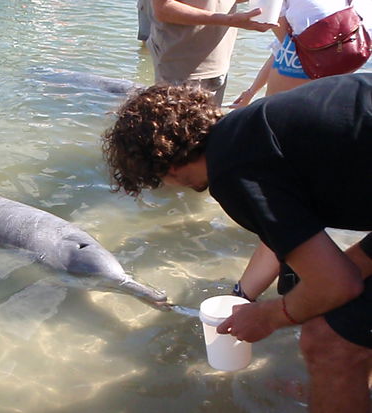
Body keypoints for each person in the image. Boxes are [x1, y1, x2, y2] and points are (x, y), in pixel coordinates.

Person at [101, 74, 372, 413]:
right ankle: (345, 387)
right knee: (345, 284)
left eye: (159, 181)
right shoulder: (250, 130)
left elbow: (337, 283)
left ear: (168, 168)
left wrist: (270, 316)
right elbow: (285, 237)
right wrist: (241, 298)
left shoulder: (230, 172)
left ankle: (339, 375)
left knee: (326, 341)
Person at [231, 0, 372, 108]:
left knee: (272, 117)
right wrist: (251, 91)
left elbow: (285, 44)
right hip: (349, 49)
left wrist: (251, 93)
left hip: (313, 58)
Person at [147, 0, 276, 105]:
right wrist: (229, 20)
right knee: (179, 126)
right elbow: (163, 9)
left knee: (210, 126)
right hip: (182, 66)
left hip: (219, 62)